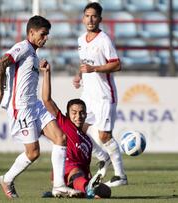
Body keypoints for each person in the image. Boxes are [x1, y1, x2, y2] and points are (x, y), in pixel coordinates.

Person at [0, 15, 81, 199]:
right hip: (21, 108)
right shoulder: (22, 47)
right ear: (31, 32)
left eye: (47, 34)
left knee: (61, 138)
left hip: (35, 105)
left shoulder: (32, 53)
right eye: (43, 34)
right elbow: (0, 64)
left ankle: (59, 186)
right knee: (33, 152)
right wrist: (0, 91)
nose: (45, 38)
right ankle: (7, 179)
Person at [73, 2, 127, 187]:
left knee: (104, 136)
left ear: (100, 19)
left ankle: (120, 176)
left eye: (94, 16)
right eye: (87, 15)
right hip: (87, 94)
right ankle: (102, 156)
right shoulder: (81, 40)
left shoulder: (104, 39)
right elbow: (84, 63)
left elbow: (117, 64)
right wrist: (79, 75)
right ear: (83, 18)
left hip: (104, 96)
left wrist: (94, 68)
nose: (90, 19)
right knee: (77, 126)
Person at [40, 59, 111, 198]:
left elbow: (86, 168)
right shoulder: (64, 123)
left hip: (79, 176)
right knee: (76, 172)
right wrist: (46, 73)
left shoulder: (88, 141)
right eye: (74, 112)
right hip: (66, 170)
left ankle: (79, 189)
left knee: (106, 192)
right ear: (67, 115)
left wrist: (91, 178)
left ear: (86, 114)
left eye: (81, 112)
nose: (78, 116)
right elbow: (47, 100)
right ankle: (82, 188)